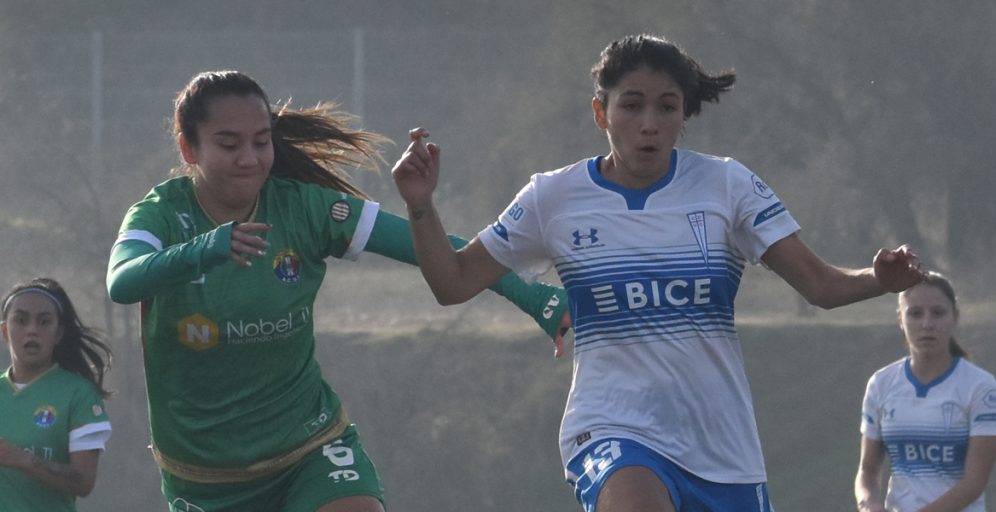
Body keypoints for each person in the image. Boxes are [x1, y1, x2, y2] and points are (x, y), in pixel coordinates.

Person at [391, 34, 927, 512]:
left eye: (667, 107)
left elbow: (821, 286)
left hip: (723, 450)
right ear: (601, 113)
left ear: (683, 115)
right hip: (611, 431)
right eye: (632, 105)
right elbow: (453, 282)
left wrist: (880, 279)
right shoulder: (551, 197)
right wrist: (420, 207)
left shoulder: (726, 185)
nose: (650, 123)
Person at [105, 70, 568, 512]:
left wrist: (536, 298)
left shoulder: (304, 207)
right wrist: (204, 249)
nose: (250, 158)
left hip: (309, 448)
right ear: (189, 148)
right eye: (229, 144)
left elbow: (438, 251)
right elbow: (122, 281)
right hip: (205, 477)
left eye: (261, 141)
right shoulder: (160, 214)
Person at [854, 272, 996, 511]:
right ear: (900, 319)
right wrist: (869, 505)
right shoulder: (881, 384)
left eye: (938, 313)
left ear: (955, 317)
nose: (927, 323)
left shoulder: (980, 387)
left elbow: (974, 482)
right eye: (915, 313)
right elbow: (868, 470)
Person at [0, 277, 113, 511]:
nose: (31, 330)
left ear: (59, 332)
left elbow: (83, 482)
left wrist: (22, 460)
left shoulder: (78, 394)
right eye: (20, 320)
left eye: (44, 322)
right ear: (4, 331)